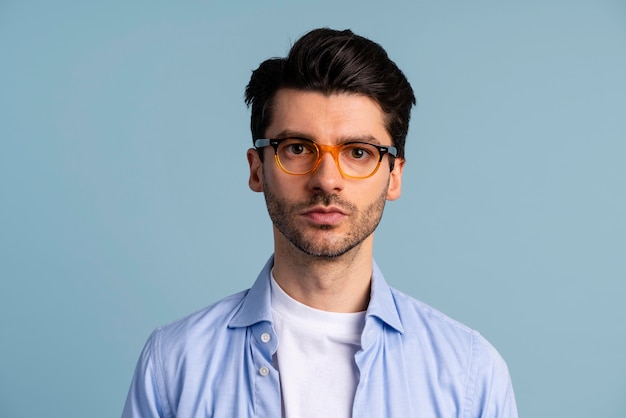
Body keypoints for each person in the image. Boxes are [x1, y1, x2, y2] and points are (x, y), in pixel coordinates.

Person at [122, 28, 518, 418]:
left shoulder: (469, 374)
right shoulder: (173, 365)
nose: (327, 179)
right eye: (296, 148)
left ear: (394, 176)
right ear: (257, 169)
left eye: (358, 152)